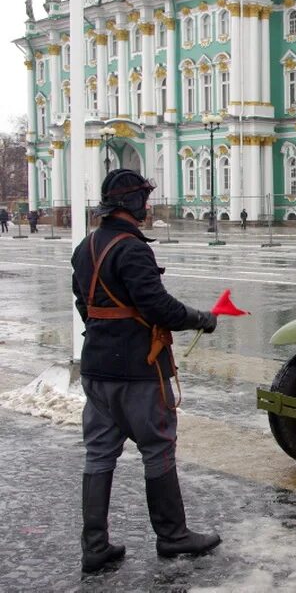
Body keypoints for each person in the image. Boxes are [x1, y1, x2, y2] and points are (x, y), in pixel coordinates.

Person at [71, 169, 221, 573]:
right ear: (131, 203)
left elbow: (83, 302)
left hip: (96, 366)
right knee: (157, 447)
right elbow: (158, 307)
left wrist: (104, 331)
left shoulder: (86, 245)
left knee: (100, 452)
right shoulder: (132, 249)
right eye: (144, 199)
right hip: (137, 369)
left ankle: (95, 546)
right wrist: (201, 318)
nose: (149, 206)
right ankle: (173, 536)